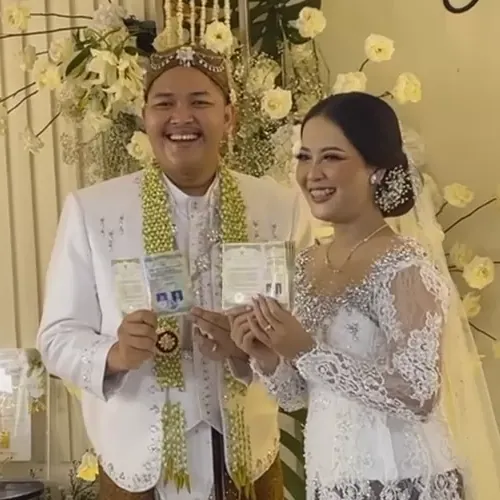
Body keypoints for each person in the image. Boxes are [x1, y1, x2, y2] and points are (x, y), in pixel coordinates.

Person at [37, 44, 311, 500]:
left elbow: (309, 336)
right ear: (145, 117)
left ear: (229, 117)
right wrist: (116, 354)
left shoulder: (281, 209)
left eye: (200, 102)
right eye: (164, 103)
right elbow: (57, 336)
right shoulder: (92, 210)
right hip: (136, 465)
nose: (181, 117)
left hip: (246, 459)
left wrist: (249, 349)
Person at [232, 92, 500, 500]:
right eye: (305, 157)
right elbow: (299, 394)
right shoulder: (306, 264)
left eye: (331, 157)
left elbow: (418, 392)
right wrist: (267, 356)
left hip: (404, 481)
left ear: (375, 169)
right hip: (330, 480)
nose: (313, 173)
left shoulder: (404, 265)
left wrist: (305, 350)